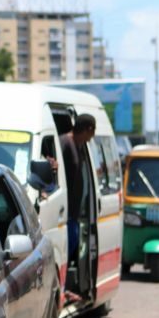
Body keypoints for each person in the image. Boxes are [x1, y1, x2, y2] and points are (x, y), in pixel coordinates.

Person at [60, 113, 96, 302]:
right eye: (92, 131)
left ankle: (65, 288)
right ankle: (62, 289)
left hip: (75, 211)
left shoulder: (81, 147)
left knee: (72, 245)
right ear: (88, 129)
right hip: (64, 211)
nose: (92, 136)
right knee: (67, 247)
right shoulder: (65, 144)